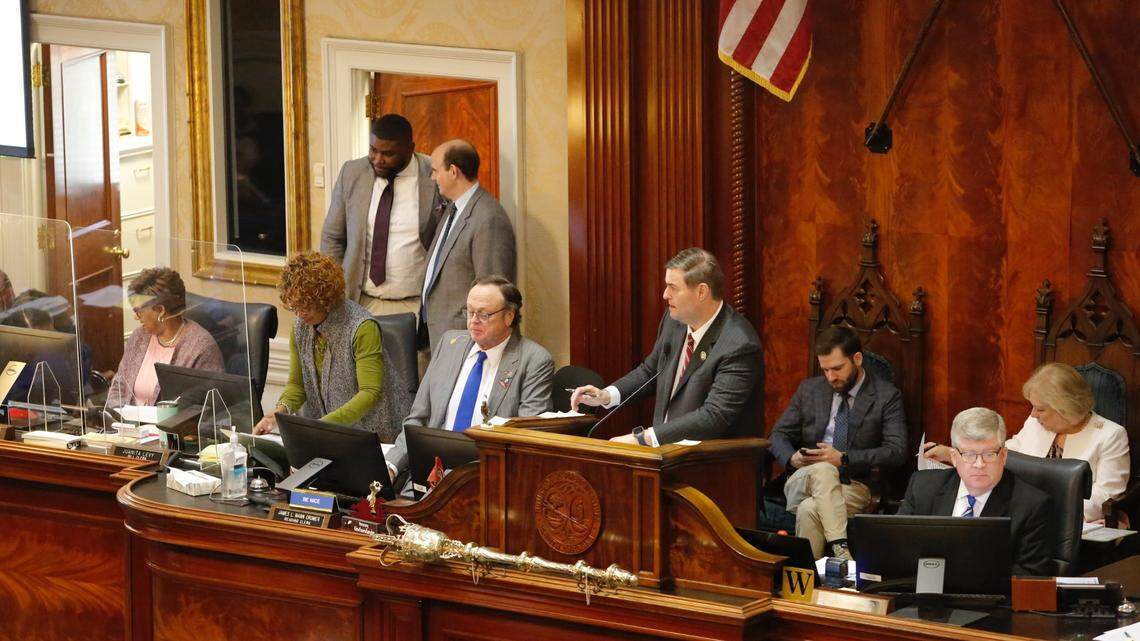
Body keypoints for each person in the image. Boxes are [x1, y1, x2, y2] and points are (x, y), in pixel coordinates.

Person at [571, 248, 763, 445]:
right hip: (667, 458)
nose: (664, 295)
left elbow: (714, 416)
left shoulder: (739, 344)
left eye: (673, 287)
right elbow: (650, 372)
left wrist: (645, 439)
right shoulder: (675, 322)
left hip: (715, 464)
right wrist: (606, 395)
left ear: (701, 292)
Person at [388, 276, 553, 477]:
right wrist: (391, 465)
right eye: (470, 311)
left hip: (487, 478)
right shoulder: (450, 344)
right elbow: (418, 418)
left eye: (484, 314)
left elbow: (527, 438)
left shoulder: (533, 360)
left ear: (509, 316)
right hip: (431, 473)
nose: (473, 321)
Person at [766, 326, 908, 560]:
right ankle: (841, 550)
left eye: (838, 368)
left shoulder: (886, 396)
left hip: (853, 485)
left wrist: (843, 459)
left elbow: (897, 451)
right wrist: (793, 458)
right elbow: (777, 434)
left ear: (857, 359)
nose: (831, 377)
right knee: (821, 469)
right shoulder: (809, 390)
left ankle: (809, 580)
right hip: (803, 480)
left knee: (809, 509)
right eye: (825, 370)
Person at [923, 362, 1129, 523]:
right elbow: (1006, 453)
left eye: (1040, 409)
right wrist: (952, 454)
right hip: (1023, 514)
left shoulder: (1111, 436)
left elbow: (1106, 497)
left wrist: (1047, 510)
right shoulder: (1036, 423)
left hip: (1076, 522)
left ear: (1065, 408)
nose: (1033, 414)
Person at [255, 252, 410, 441]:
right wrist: (278, 414)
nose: (300, 314)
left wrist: (320, 427)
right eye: (295, 307)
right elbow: (297, 385)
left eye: (306, 306)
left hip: (378, 434)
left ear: (325, 299)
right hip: (330, 434)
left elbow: (369, 393)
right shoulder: (300, 326)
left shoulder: (362, 327)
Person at [900, 407, 1053, 577]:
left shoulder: (1031, 505)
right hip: (926, 594)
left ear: (1003, 456)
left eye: (989, 454)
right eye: (969, 454)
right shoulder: (923, 487)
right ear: (953, 457)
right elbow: (898, 548)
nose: (979, 464)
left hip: (992, 599)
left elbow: (1031, 574)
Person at [320, 114, 442, 317]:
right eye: (373, 150)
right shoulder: (352, 172)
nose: (377, 159)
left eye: (388, 154)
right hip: (358, 302)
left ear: (410, 149)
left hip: (415, 305)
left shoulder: (433, 174)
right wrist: (335, 290)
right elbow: (332, 237)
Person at [420, 139, 516, 354]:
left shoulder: (488, 218)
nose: (433, 177)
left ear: (453, 171)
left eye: (435, 171)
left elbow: (493, 292)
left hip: (466, 341)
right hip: (439, 336)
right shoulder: (453, 209)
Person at [107, 268, 223, 407]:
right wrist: (114, 418)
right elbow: (119, 385)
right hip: (126, 425)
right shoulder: (139, 336)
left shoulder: (201, 347)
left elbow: (207, 406)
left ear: (160, 311)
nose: (135, 317)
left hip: (170, 427)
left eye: (138, 311)